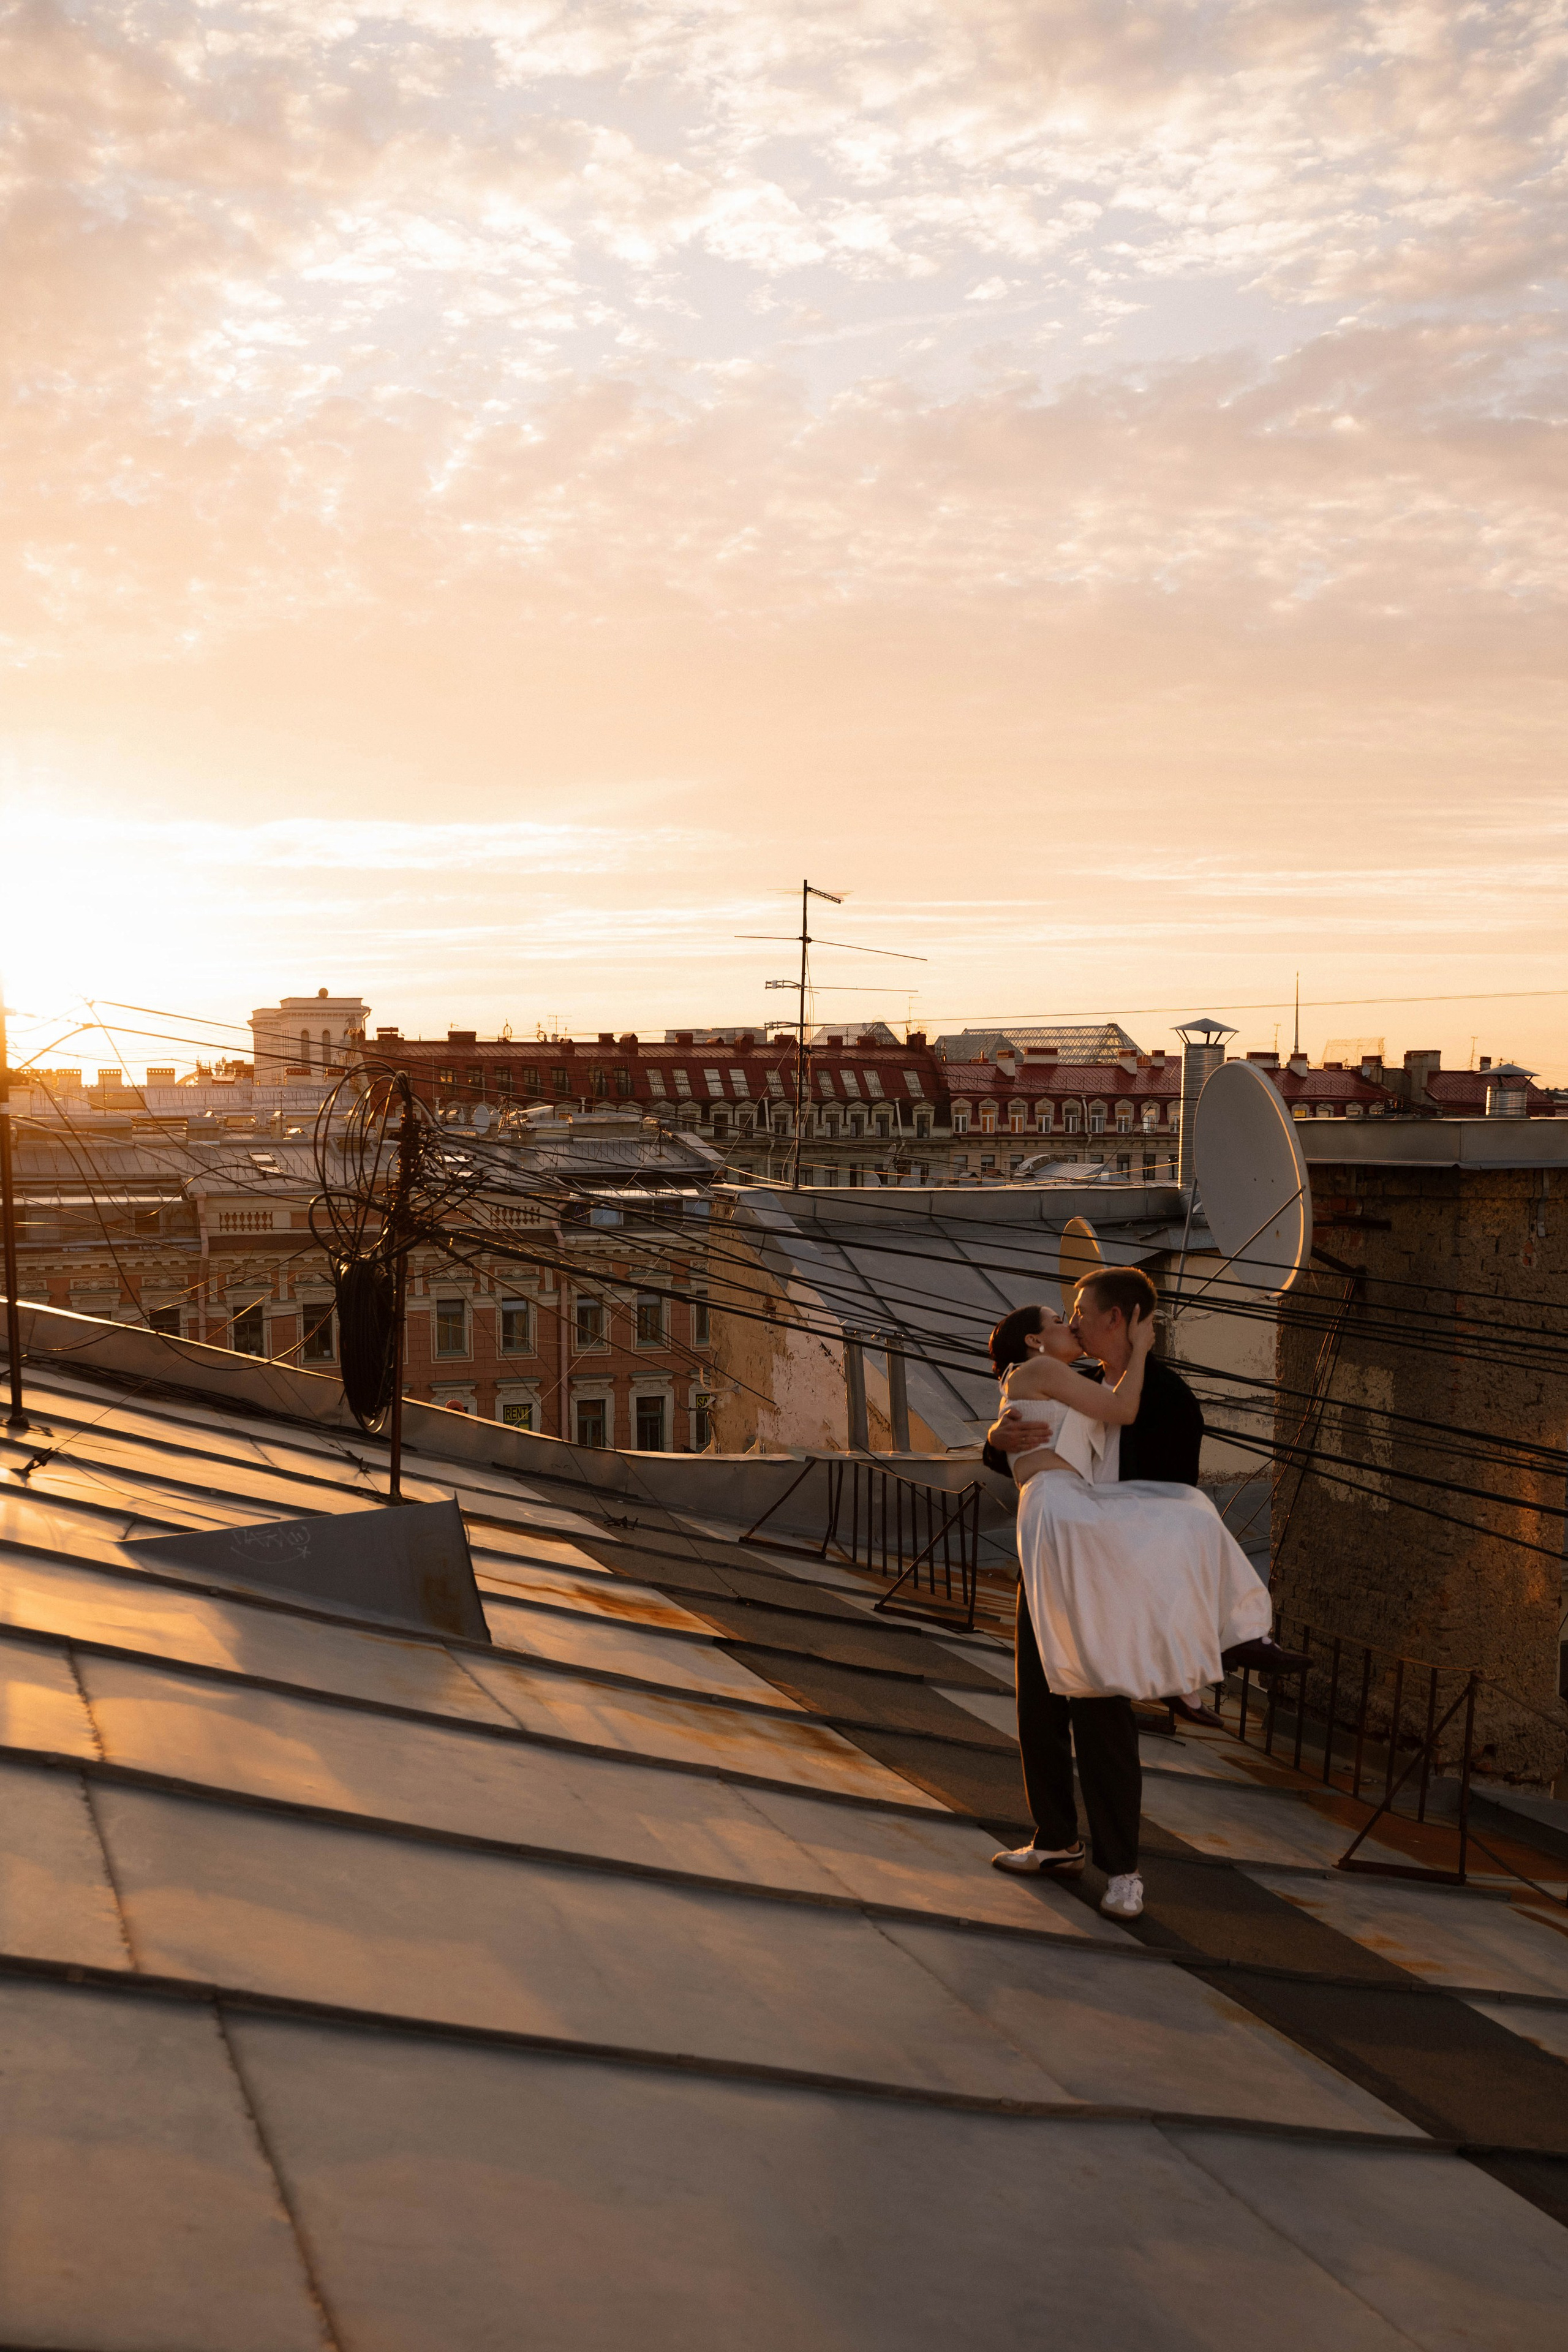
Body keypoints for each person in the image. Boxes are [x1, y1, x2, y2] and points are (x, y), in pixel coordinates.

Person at [983, 1269, 1284, 1921]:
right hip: (1054, 1546)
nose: (1073, 1320)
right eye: (1063, 1316)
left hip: (1100, 1559)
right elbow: (1027, 1432)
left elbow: (1164, 1500)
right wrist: (994, 1439)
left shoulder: (1167, 1398)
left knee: (1099, 1710)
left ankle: (1122, 1870)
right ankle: (1055, 1840)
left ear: (1116, 1319)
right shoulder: (1078, 1379)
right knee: (1038, 1705)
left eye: (1080, 1311)